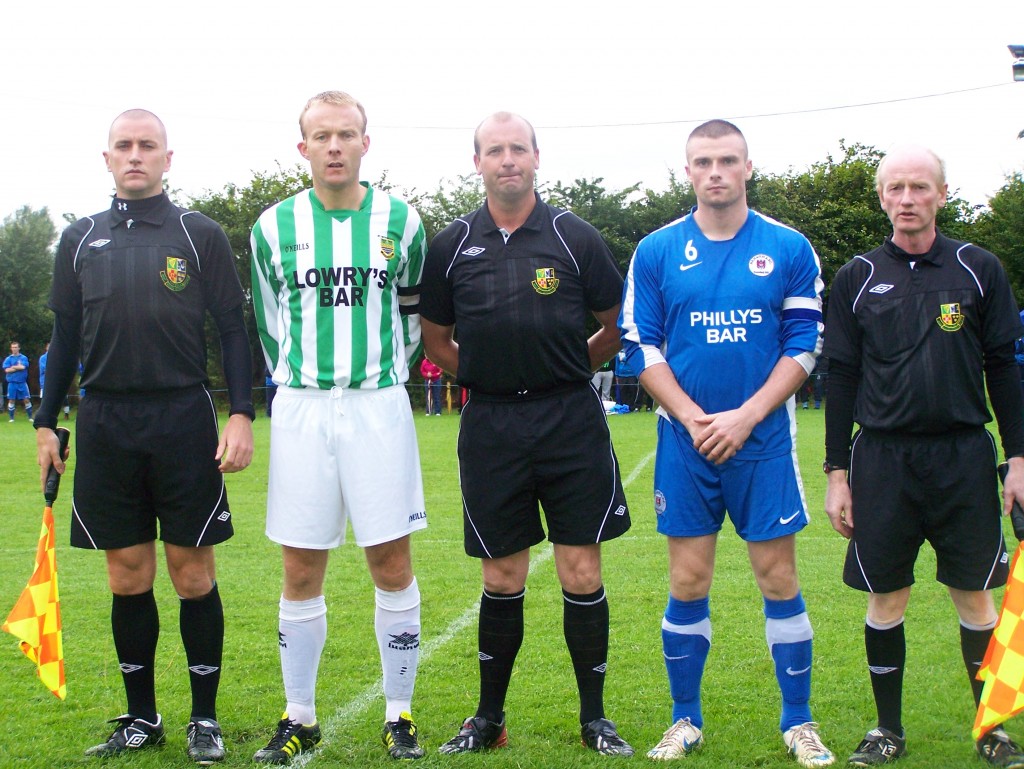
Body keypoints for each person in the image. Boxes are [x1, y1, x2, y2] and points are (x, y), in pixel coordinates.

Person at [34, 109, 255, 764]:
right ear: (106, 159)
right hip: (104, 422)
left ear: (167, 158)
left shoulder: (198, 233)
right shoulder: (78, 239)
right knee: (127, 576)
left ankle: (205, 720)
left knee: (192, 573)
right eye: (123, 146)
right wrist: (46, 420)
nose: (135, 155)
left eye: (147, 145)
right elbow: (65, 339)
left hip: (183, 420)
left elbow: (233, 330)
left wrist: (240, 410)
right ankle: (140, 717)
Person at [619, 119, 833, 767]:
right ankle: (685, 719)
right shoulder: (656, 250)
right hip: (684, 444)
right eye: (703, 161)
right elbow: (641, 347)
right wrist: (691, 417)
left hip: (763, 440)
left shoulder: (789, 246)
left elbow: (805, 344)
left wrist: (745, 415)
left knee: (778, 575)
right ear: (688, 171)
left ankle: (799, 720)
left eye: (727, 160)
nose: (716, 171)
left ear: (747, 166)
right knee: (688, 579)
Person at [419, 111, 634, 757]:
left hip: (570, 421)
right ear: (477, 162)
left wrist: (570, 368)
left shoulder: (575, 237)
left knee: (579, 567)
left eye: (518, 149)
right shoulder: (453, 243)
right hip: (492, 426)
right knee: (503, 574)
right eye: (494, 150)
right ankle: (488, 718)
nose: (507, 159)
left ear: (537, 156)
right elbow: (435, 339)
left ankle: (594, 718)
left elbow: (616, 322)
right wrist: (488, 376)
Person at [823, 145, 1024, 767]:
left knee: (976, 598)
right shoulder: (856, 277)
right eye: (894, 189)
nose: (906, 199)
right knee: (887, 598)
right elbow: (840, 376)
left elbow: (1005, 370)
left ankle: (991, 728)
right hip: (882, 460)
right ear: (881, 197)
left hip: (963, 457)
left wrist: (1018, 459)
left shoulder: (978, 267)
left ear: (941, 193)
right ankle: (887, 730)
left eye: (919, 187)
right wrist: (837, 472)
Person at [250, 90, 428, 764]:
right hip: (302, 406)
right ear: (302, 147)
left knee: (391, 560)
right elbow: (270, 320)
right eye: (320, 136)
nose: (333, 146)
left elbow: (410, 316)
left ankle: (399, 712)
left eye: (345, 134)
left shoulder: (401, 222)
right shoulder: (272, 227)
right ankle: (300, 714)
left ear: (364, 143)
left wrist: (375, 375)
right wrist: (306, 380)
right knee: (301, 565)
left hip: (378, 403)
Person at [39, 342, 71, 420]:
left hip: (59, 381)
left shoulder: (59, 356)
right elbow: (46, 369)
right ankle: (45, 416)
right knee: (45, 400)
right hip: (46, 382)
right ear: (46, 348)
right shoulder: (43, 358)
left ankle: (66, 414)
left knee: (64, 399)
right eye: (49, 347)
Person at [4, 341, 32, 422]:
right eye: (13, 347)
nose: (14, 349)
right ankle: (11, 418)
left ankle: (30, 417)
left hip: (22, 382)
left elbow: (23, 367)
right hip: (12, 383)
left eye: (16, 347)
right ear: (11, 348)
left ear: (19, 348)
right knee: (11, 399)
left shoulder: (23, 358)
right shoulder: (8, 359)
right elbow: (7, 370)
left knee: (26, 399)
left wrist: (13, 367)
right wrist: (17, 367)